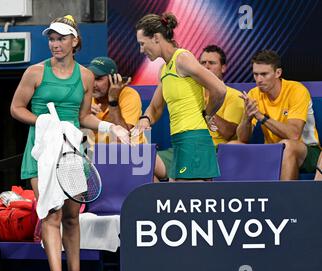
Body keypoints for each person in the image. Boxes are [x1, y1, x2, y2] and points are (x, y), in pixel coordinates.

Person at [9, 15, 129, 271]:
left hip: (72, 152)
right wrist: (42, 122)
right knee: (51, 214)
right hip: (41, 151)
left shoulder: (86, 76)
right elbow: (16, 108)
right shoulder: (35, 72)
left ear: (75, 41)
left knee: (72, 216)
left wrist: (111, 126)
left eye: (61, 38)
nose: (55, 44)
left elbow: (83, 116)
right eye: (51, 38)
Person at [132, 12, 226, 181]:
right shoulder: (165, 70)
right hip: (180, 140)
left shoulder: (182, 58)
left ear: (156, 38)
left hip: (194, 140)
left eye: (142, 44)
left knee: (189, 202)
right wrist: (145, 119)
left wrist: (207, 114)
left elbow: (219, 89)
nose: (141, 50)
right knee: (184, 201)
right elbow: (155, 107)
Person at [236, 50, 321, 180]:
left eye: (264, 74)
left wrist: (261, 117)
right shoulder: (253, 94)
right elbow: (242, 139)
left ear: (278, 73)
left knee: (287, 146)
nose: (259, 80)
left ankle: (285, 198)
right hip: (272, 151)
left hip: (307, 151)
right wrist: (246, 118)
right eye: (256, 74)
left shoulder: (297, 91)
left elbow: (293, 135)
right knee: (233, 145)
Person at [86, 56, 168, 181]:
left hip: (132, 154)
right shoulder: (84, 97)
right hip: (98, 158)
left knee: (156, 180)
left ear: (113, 79)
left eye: (98, 79)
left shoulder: (129, 95)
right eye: (91, 78)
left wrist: (113, 101)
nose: (93, 84)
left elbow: (123, 137)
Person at [199, 45, 244, 146]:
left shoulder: (234, 96)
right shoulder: (192, 93)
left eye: (212, 63)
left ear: (223, 68)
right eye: (203, 63)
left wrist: (207, 110)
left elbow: (229, 133)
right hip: (191, 148)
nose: (206, 67)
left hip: (216, 150)